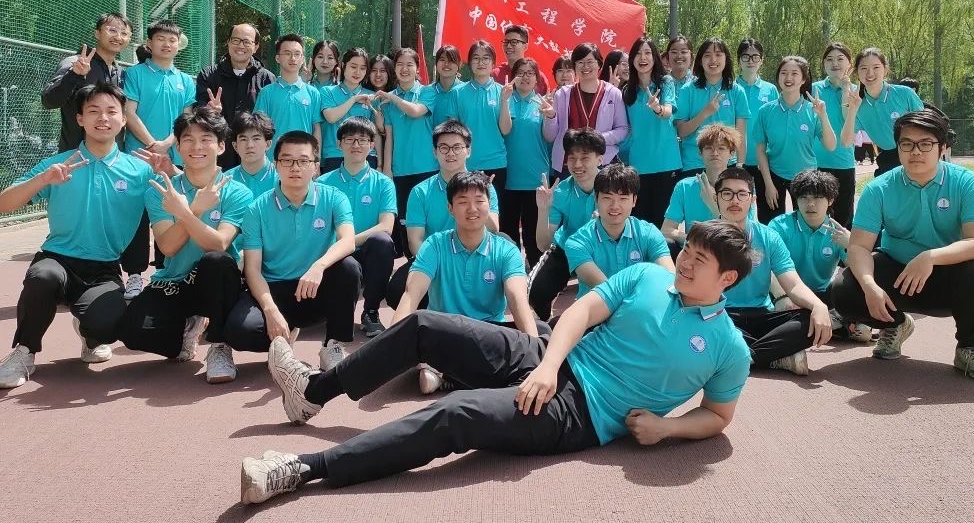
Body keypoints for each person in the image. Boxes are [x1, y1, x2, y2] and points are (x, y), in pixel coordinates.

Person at [241, 220, 753, 504]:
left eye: (700, 260)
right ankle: (312, 392)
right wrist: (548, 365)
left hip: (580, 414)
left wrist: (667, 428)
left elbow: (719, 416)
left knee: (457, 413)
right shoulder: (648, 276)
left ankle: (303, 468)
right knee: (424, 326)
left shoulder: (729, 348)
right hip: (551, 357)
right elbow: (579, 314)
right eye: (687, 249)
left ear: (726, 279)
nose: (685, 261)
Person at [0, 83, 154, 389]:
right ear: (80, 118)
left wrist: (171, 173)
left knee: (107, 325)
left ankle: (89, 333)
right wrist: (41, 180)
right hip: (57, 258)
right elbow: (5, 203)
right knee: (41, 277)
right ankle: (24, 351)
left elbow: (183, 200)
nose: (103, 118)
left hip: (104, 267)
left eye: (111, 111)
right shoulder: (58, 164)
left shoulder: (140, 171)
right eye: (93, 111)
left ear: (123, 119)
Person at [833, 109, 974, 382]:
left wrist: (930, 257)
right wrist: (869, 285)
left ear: (943, 148)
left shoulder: (968, 184)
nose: (915, 152)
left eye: (925, 144)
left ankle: (969, 348)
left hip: (950, 275)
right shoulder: (879, 188)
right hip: (897, 273)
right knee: (845, 288)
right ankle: (895, 325)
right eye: (907, 144)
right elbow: (859, 247)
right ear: (897, 148)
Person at [117, 108, 254, 383]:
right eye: (188, 140)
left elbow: (219, 244)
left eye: (206, 139)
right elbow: (168, 247)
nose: (197, 147)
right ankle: (189, 326)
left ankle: (219, 345)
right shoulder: (161, 191)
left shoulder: (237, 192)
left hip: (219, 282)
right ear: (177, 147)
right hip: (175, 281)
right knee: (133, 333)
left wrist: (186, 213)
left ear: (221, 146)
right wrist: (195, 209)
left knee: (216, 261)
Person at [223, 131, 361, 372]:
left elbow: (348, 240)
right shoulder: (257, 209)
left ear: (315, 166)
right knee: (239, 332)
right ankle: (283, 336)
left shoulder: (333, 197)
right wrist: (270, 311)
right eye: (287, 160)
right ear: (276, 165)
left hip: (314, 287)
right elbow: (253, 269)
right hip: (274, 288)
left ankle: (332, 345)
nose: (295, 167)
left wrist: (318, 266)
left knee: (349, 268)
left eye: (303, 161)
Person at [393, 171, 539, 393]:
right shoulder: (434, 245)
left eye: (479, 201)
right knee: (423, 335)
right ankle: (471, 376)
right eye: (463, 202)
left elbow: (517, 298)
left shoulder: (506, 250)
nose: (472, 209)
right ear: (450, 208)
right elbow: (411, 294)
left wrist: (535, 350)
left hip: (489, 332)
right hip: (444, 330)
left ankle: (448, 376)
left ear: (489, 205)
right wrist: (391, 343)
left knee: (539, 331)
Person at [710, 167, 832, 376]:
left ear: (752, 200)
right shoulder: (703, 237)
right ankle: (774, 356)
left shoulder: (768, 237)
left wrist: (819, 306)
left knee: (809, 319)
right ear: (716, 198)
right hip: (721, 315)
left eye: (742, 194)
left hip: (762, 314)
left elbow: (793, 284)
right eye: (727, 193)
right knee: (701, 324)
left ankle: (745, 357)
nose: (735, 200)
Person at [386, 120, 502, 307]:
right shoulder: (420, 192)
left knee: (504, 242)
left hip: (476, 257)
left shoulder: (484, 186)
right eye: (444, 148)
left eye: (457, 147)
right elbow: (415, 242)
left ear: (468, 151)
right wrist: (441, 267)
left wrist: (481, 196)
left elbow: (494, 229)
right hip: (436, 258)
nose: (451, 153)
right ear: (435, 152)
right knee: (396, 290)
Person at [121, 19, 197, 299]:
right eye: (161, 39)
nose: (166, 44)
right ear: (149, 43)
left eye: (172, 39)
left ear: (178, 45)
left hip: (173, 159)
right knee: (138, 217)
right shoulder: (135, 74)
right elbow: (128, 113)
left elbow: (186, 119)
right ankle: (134, 275)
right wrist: (153, 143)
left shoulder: (185, 80)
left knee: (172, 213)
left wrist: (167, 143)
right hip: (139, 158)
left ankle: (167, 272)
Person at [767, 170, 871, 343]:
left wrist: (851, 246)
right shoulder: (779, 226)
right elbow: (768, 266)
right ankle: (835, 323)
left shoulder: (838, 232)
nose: (810, 204)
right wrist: (782, 296)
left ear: (830, 200)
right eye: (804, 198)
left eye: (817, 198)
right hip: (788, 293)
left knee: (852, 280)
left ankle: (830, 321)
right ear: (796, 200)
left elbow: (860, 271)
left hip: (823, 294)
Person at [316, 117, 397, 338]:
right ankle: (337, 314)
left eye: (362, 140)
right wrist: (341, 246)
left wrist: (349, 241)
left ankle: (371, 312)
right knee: (346, 265)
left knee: (383, 242)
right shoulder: (322, 184)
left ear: (372, 145)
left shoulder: (383, 183)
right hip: (336, 254)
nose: (356, 145)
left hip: (367, 251)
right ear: (339, 144)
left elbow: (386, 226)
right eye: (349, 139)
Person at [563, 164, 674, 300]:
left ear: (634, 201)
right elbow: (608, 292)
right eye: (607, 198)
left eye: (623, 198)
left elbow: (669, 279)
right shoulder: (577, 242)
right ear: (596, 199)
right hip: (598, 309)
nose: (615, 206)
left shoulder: (648, 233)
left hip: (640, 307)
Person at [529, 128, 604, 320]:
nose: (577, 164)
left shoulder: (612, 187)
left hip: (603, 250)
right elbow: (543, 245)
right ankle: (546, 323)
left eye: (585, 158)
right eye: (572, 158)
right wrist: (543, 209)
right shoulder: (561, 191)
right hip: (567, 250)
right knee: (536, 292)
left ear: (600, 159)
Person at [753, 55, 838, 224]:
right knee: (770, 224)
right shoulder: (766, 111)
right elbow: (760, 150)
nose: (788, 78)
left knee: (807, 224)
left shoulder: (812, 110)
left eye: (794, 73)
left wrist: (823, 115)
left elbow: (831, 145)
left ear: (803, 79)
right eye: (784, 73)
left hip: (806, 177)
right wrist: (768, 185)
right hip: (774, 175)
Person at [373, 47, 439, 253]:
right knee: (405, 220)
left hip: (427, 167)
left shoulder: (427, 92)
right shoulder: (388, 99)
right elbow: (389, 137)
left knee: (429, 218)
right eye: (400, 64)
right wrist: (387, 168)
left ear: (417, 69)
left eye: (409, 65)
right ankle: (411, 261)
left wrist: (393, 98)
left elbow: (415, 111)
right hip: (401, 169)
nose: (404, 69)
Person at [42, 13, 130, 152]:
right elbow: (49, 101)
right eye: (112, 30)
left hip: (111, 158)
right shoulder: (75, 63)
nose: (118, 37)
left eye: (124, 33)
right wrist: (74, 74)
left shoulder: (121, 73)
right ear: (97, 33)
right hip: (76, 155)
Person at [195, 22, 275, 169]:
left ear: (256, 46)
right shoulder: (209, 75)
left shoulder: (267, 79)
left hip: (253, 152)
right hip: (219, 150)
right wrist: (210, 111)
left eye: (247, 42)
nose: (240, 46)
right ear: (228, 42)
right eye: (236, 40)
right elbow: (199, 113)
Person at [620, 36, 681, 227]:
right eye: (638, 53)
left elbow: (668, 111)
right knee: (640, 224)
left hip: (666, 163)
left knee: (664, 225)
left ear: (654, 58)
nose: (643, 57)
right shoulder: (627, 90)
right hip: (638, 166)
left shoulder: (665, 82)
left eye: (647, 53)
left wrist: (658, 108)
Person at [500, 58, 555, 268]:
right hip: (509, 179)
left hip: (536, 179)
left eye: (530, 73)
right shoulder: (505, 99)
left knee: (533, 234)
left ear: (537, 78)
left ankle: (536, 274)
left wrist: (550, 116)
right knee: (508, 232)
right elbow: (504, 130)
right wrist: (504, 101)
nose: (525, 77)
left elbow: (549, 137)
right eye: (520, 72)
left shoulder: (542, 103)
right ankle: (511, 272)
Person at [544, 43, 628, 174]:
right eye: (580, 62)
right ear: (575, 66)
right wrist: (550, 117)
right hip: (569, 164)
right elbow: (550, 137)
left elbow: (623, 129)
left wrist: (598, 138)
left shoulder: (613, 93)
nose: (585, 66)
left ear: (599, 65)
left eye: (590, 62)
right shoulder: (563, 95)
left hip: (603, 163)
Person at [661, 124, 740, 257]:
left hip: (728, 251)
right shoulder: (684, 186)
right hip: (695, 250)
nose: (715, 153)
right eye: (709, 148)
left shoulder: (741, 187)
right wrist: (699, 241)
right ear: (700, 153)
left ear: (732, 153)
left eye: (721, 148)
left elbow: (742, 234)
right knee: (666, 244)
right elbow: (666, 230)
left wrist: (714, 207)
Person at [674, 37, 750, 175]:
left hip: (727, 164)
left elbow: (740, 135)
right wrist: (705, 113)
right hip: (694, 163)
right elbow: (681, 132)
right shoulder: (688, 90)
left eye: (718, 54)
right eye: (707, 55)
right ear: (700, 60)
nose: (713, 60)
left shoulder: (737, 91)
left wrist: (740, 165)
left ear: (726, 59)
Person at [849, 47, 923, 176]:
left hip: (916, 154)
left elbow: (927, 125)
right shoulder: (858, 105)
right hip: (887, 160)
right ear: (857, 72)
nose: (870, 73)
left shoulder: (904, 93)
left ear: (885, 69)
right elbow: (846, 140)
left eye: (876, 67)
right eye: (864, 68)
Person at [450, 40, 508, 196]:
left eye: (486, 58)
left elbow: (505, 130)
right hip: (467, 163)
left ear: (493, 63)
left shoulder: (503, 91)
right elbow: (454, 130)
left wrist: (505, 100)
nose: (481, 62)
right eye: (476, 58)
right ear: (469, 63)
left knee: (495, 209)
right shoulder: (458, 92)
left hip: (496, 163)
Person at [812, 42, 858, 230]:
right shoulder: (814, 89)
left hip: (844, 162)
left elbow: (848, 118)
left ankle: (843, 250)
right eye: (829, 59)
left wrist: (846, 90)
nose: (835, 64)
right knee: (817, 217)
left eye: (840, 59)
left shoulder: (856, 90)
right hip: (816, 163)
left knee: (843, 219)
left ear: (849, 64)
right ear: (824, 64)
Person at [253, 34, 323, 150]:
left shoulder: (313, 93)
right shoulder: (266, 93)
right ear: (277, 58)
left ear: (302, 59)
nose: (293, 58)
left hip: (304, 157)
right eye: (287, 53)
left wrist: (316, 158)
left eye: (297, 54)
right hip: (274, 158)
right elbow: (258, 128)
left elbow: (316, 128)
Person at [734, 38, 779, 217]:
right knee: (739, 211)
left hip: (765, 162)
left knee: (768, 210)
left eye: (755, 57)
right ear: (739, 60)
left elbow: (774, 124)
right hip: (738, 161)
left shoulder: (771, 89)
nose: (750, 61)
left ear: (762, 60)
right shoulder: (731, 88)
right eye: (746, 56)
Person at [319, 47, 377, 174]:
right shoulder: (327, 91)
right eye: (353, 66)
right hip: (335, 154)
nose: (357, 72)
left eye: (362, 68)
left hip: (365, 156)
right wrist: (354, 99)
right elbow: (331, 117)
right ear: (343, 65)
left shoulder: (372, 96)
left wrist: (382, 163)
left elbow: (377, 132)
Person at [225, 112, 279, 199]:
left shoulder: (282, 179)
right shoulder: (225, 181)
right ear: (235, 146)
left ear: (268, 144)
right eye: (243, 139)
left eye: (256, 138)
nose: (250, 145)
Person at [494, 25, 551, 95]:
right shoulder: (495, 74)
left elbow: (546, 99)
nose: (508, 46)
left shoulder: (537, 76)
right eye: (506, 42)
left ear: (525, 46)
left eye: (514, 42)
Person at [428, 45, 466, 126]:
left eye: (451, 60)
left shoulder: (466, 91)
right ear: (436, 63)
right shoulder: (427, 92)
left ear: (459, 64)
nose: (446, 64)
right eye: (442, 59)